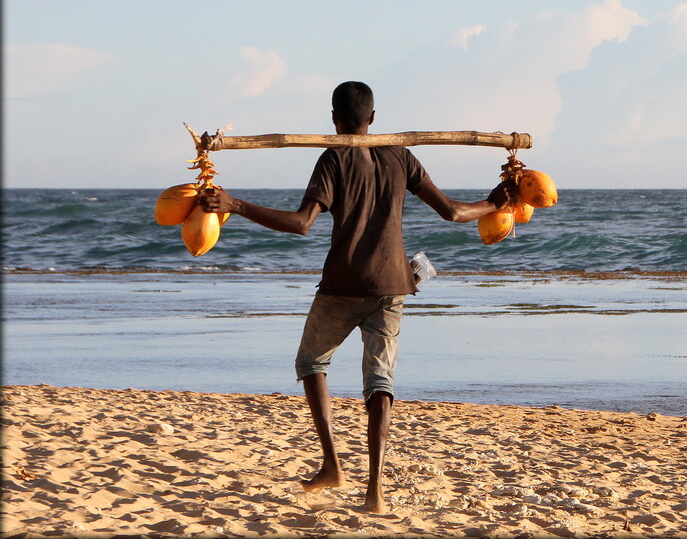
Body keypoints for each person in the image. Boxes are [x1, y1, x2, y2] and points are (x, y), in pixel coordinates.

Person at [198, 81, 515, 514]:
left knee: (311, 363)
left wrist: (235, 204)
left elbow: (300, 224)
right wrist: (493, 203)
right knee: (379, 383)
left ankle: (331, 464)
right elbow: (454, 213)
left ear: (333, 120)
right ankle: (376, 492)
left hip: (343, 286)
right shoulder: (400, 154)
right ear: (373, 118)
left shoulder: (334, 158)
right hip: (393, 286)